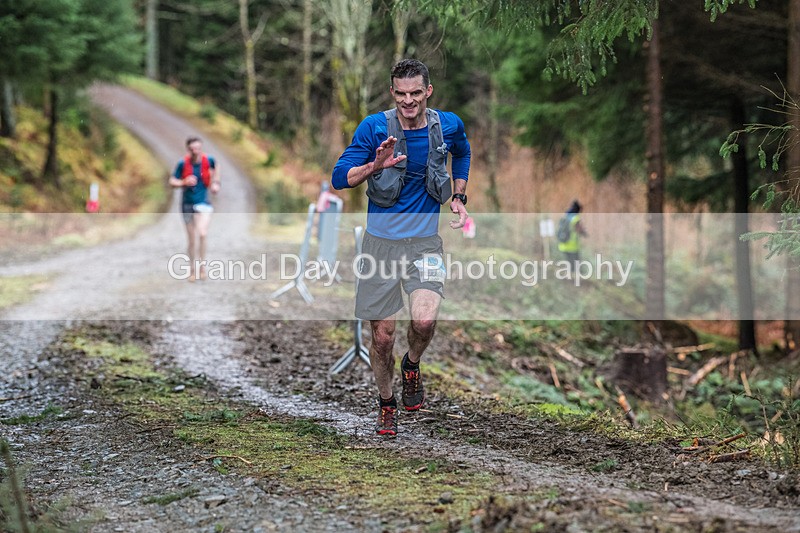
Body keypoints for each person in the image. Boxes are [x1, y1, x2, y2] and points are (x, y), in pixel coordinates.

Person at [332, 59, 471, 436]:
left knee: (424, 322)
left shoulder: (447, 125)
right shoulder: (374, 127)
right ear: (392, 92)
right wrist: (373, 166)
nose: (408, 101)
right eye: (401, 94)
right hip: (379, 248)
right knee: (382, 336)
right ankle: (386, 402)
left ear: (428, 92)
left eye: (415, 93)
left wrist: (459, 195)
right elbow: (339, 179)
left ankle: (411, 365)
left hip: (425, 245)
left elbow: (463, 151)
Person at [168, 136, 221, 282]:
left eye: (198, 148)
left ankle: (202, 267)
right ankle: (192, 269)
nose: (195, 151)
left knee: (202, 233)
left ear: (201, 148)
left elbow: (216, 167)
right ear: (188, 150)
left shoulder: (208, 160)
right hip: (187, 204)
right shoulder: (182, 163)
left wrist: (216, 183)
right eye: (192, 149)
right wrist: (183, 182)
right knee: (191, 240)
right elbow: (172, 181)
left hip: (203, 203)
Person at [557, 199, 587, 276]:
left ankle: (569, 276)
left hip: (563, 244)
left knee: (568, 262)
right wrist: (584, 233)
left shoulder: (565, 216)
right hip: (572, 246)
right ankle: (574, 278)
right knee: (575, 263)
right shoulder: (575, 218)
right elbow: (579, 229)